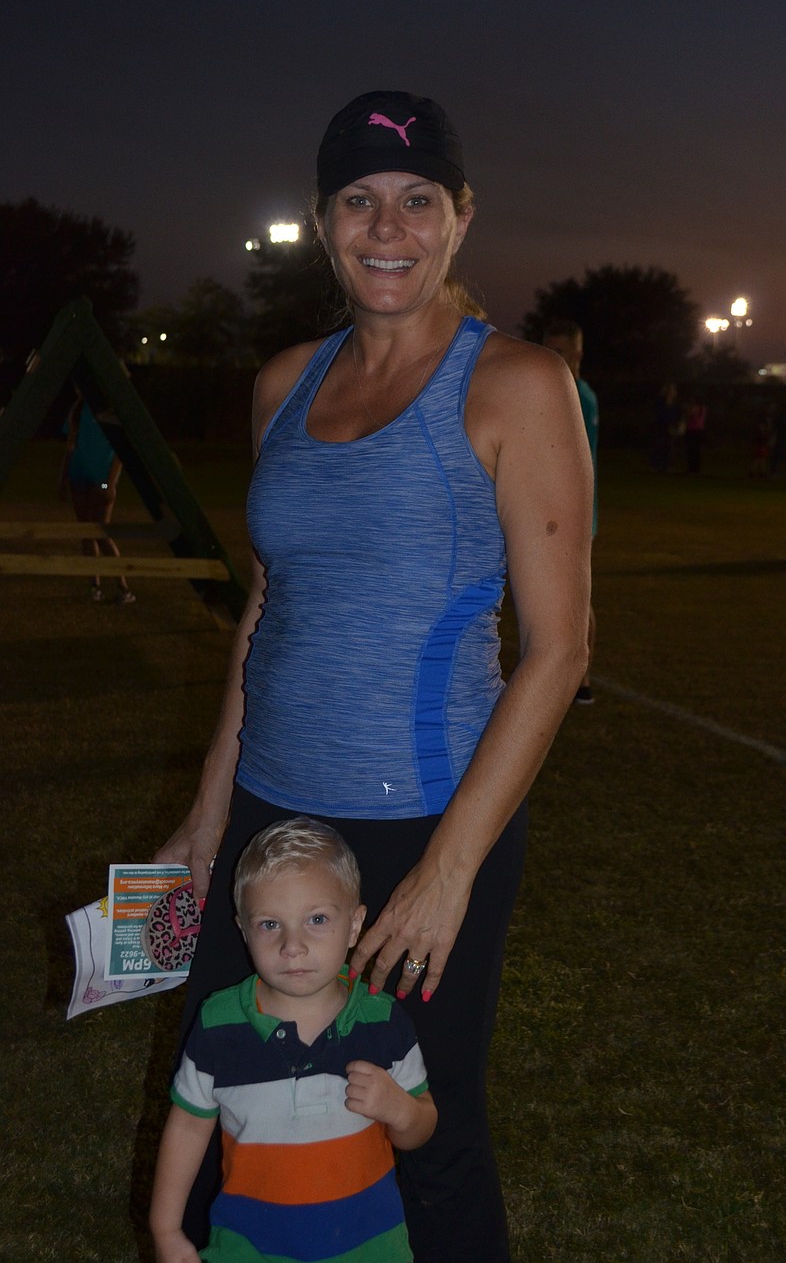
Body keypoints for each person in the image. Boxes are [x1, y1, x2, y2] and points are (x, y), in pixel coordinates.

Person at [154, 89, 592, 1263]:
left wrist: (448, 873)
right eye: (358, 199)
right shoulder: (283, 382)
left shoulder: (515, 384)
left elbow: (560, 648)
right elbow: (266, 608)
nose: (386, 227)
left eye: (415, 199)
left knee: (418, 1126)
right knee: (231, 1093)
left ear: (459, 218)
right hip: (268, 816)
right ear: (322, 221)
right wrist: (208, 811)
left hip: (423, 823)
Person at [150, 817, 436, 1263]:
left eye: (316, 919)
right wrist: (166, 1228)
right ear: (243, 930)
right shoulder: (219, 1024)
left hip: (368, 1251)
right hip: (248, 1250)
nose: (292, 946)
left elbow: (423, 1122)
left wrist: (399, 1109)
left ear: (355, 925)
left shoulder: (382, 1021)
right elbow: (187, 1127)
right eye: (270, 925)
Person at [542, 320, 598, 704]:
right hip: (569, 507)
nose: (551, 358)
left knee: (573, 598)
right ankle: (580, 680)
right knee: (570, 596)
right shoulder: (582, 392)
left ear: (577, 354)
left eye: (559, 351)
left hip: (569, 509)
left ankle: (581, 678)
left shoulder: (573, 394)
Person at [59, 387, 136, 602]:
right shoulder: (78, 408)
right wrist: (63, 478)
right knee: (86, 533)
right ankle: (95, 586)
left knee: (102, 533)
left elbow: (121, 452)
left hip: (100, 482)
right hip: (78, 479)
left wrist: (109, 484)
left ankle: (123, 588)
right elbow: (71, 445)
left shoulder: (110, 411)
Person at [682, 391, 708, 475]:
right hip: (697, 430)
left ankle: (693, 468)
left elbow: (690, 415)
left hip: (693, 430)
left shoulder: (697, 408)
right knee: (694, 450)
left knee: (693, 450)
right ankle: (694, 468)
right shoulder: (702, 408)